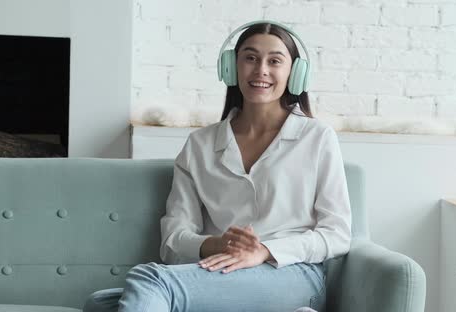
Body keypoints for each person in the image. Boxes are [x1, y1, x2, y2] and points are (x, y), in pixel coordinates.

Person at [83, 20, 351, 312]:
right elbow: (173, 238)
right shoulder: (200, 144)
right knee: (101, 305)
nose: (261, 69)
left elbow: (337, 234)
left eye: (275, 61)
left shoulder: (317, 138)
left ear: (295, 73)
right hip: (223, 272)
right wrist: (218, 245)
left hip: (293, 275)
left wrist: (263, 251)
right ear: (230, 67)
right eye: (250, 58)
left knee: (148, 281)